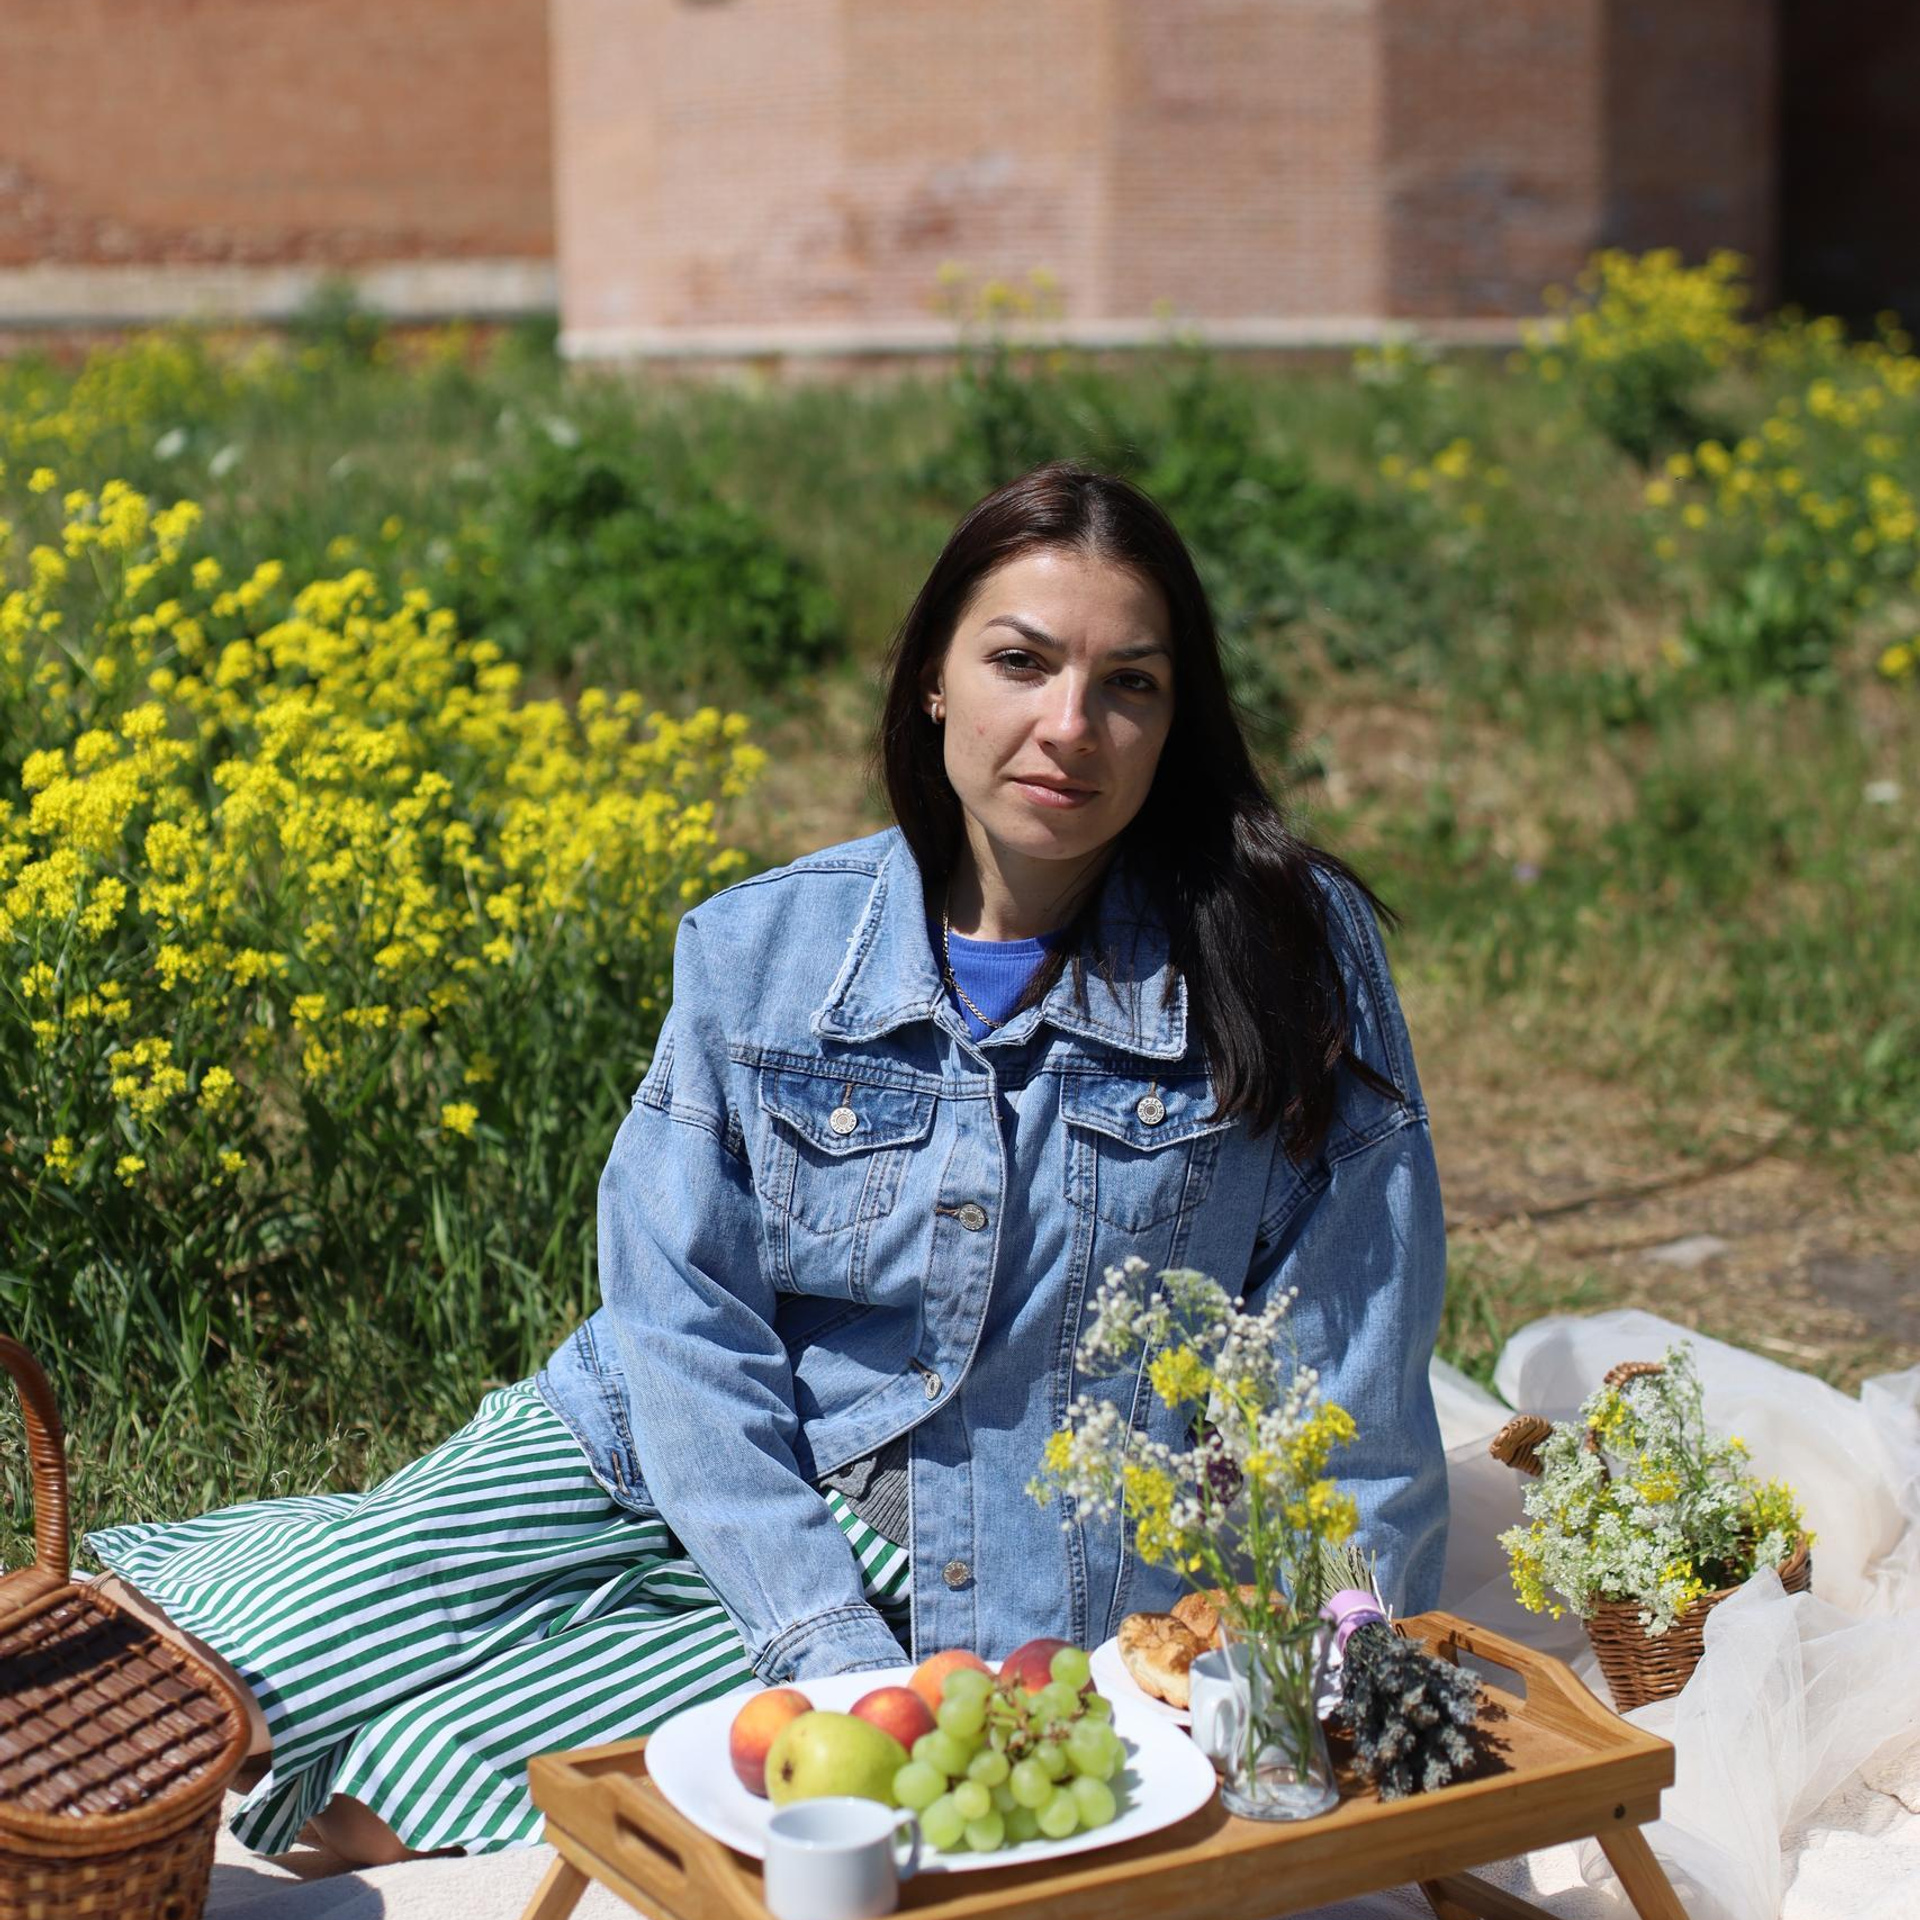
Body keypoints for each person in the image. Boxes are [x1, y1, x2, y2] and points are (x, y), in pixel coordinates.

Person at [87, 461, 1447, 1866]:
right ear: (931, 679)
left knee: (404, 1803)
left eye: (1131, 685)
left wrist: (1341, 1658)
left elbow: (1358, 1363)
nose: (1070, 726)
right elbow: (678, 1315)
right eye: (1021, 662)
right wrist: (808, 1616)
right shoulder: (764, 952)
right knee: (202, 1674)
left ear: (1177, 720)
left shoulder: (1285, 953)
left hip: (954, 1563)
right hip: (649, 1442)